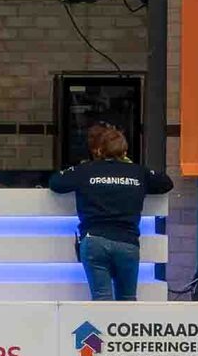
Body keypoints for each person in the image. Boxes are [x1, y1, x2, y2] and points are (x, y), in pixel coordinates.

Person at [50, 124, 173, 301]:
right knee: (127, 300)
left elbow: (56, 182)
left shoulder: (85, 170)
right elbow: (166, 183)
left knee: (102, 300)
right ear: (125, 151)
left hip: (94, 241)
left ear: (98, 150)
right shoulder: (138, 172)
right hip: (127, 242)